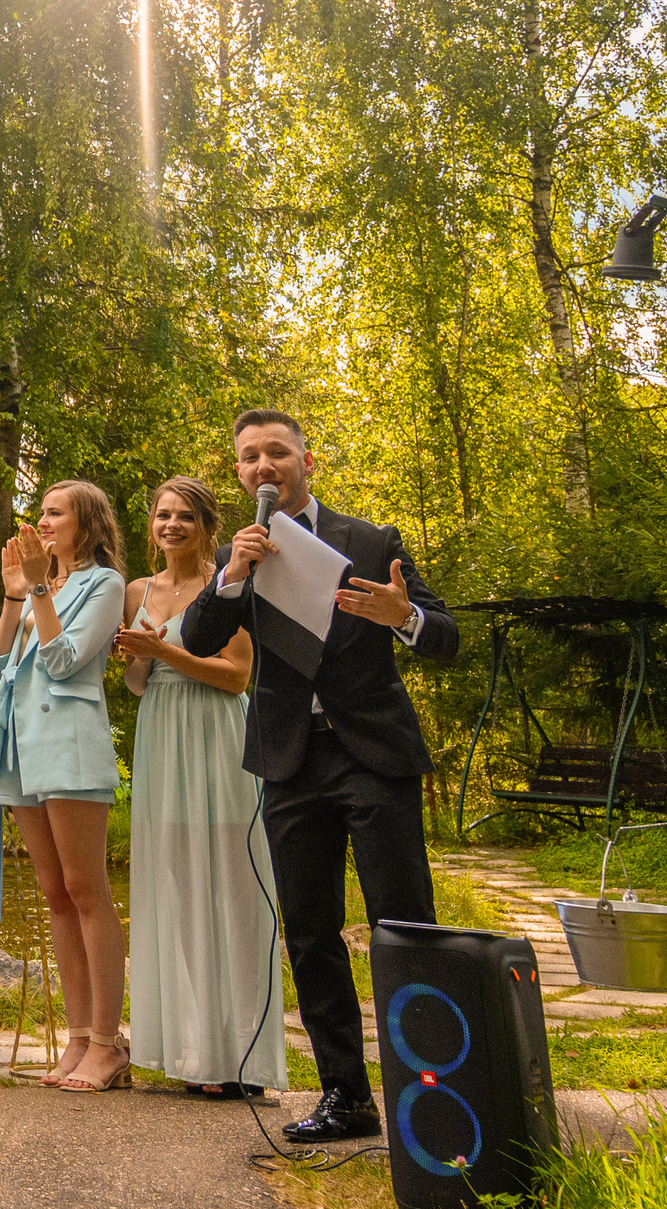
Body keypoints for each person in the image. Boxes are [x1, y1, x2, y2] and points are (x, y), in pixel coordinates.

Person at [179, 409, 457, 1144]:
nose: (263, 466)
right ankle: (347, 1096)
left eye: (277, 452)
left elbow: (447, 637)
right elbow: (198, 638)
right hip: (289, 760)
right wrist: (233, 576)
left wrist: (405, 618)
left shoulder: (368, 540)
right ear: (239, 474)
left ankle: (429, 1089)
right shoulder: (240, 555)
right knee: (309, 931)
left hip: (371, 756)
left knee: (404, 923)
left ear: (309, 460)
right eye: (249, 458)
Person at [114, 477, 284, 1099]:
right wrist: (136, 656)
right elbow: (138, 683)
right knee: (179, 893)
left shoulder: (227, 584)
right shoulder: (138, 590)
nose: (171, 525)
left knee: (230, 894)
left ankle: (241, 1058)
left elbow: (236, 677)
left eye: (185, 516)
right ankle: (194, 1048)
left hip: (215, 738)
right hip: (162, 736)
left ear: (207, 526)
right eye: (162, 515)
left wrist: (165, 651)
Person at [0, 479, 129, 1093]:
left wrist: (41, 586)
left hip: (70, 745)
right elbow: (0, 663)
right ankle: (76, 1040)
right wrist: (16, 597)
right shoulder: (42, 585)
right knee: (55, 893)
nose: (41, 522)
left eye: (55, 513)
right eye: (41, 512)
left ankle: (108, 1042)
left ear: (87, 523)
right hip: (20, 749)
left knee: (85, 886)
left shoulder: (105, 584)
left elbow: (66, 659)